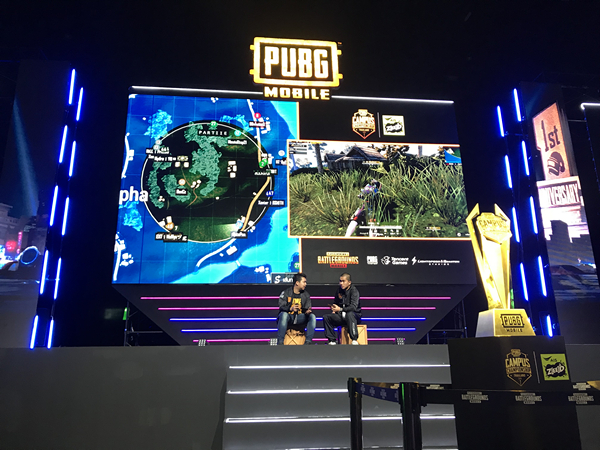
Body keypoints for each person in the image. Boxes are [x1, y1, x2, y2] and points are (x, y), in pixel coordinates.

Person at [277, 273, 316, 345]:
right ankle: (280, 342)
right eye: (304, 282)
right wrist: (290, 308)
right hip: (289, 317)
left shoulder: (306, 295)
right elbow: (281, 306)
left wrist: (307, 312)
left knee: (312, 317)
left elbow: (306, 308)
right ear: (297, 283)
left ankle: (308, 342)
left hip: (300, 317)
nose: (305, 284)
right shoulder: (286, 293)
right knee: (283, 315)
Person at [323, 272, 362, 345]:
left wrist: (340, 309)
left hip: (354, 316)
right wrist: (334, 309)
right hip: (342, 316)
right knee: (326, 317)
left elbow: (353, 307)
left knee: (350, 314)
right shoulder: (339, 291)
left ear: (349, 282)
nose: (341, 283)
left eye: (343, 281)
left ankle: (354, 339)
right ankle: (332, 340)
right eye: (340, 281)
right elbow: (336, 303)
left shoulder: (354, 291)